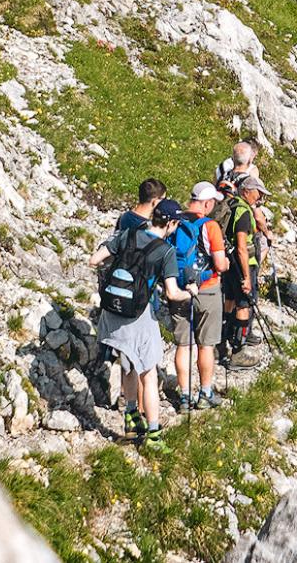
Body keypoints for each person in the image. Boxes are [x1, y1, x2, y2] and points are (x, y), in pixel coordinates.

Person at [90, 199, 191, 440]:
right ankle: (154, 434)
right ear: (172, 223)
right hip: (138, 315)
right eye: (177, 224)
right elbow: (172, 293)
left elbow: (94, 260)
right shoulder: (165, 251)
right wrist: (191, 293)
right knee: (149, 372)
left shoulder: (127, 234)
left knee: (128, 364)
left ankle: (132, 418)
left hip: (112, 313)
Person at [169, 182, 228, 410]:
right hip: (207, 289)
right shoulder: (210, 226)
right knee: (206, 345)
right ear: (207, 203)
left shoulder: (175, 220)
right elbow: (220, 264)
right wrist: (227, 264)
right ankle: (205, 393)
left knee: (183, 345)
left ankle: (184, 396)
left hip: (179, 288)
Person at [222, 171, 268, 366]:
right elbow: (242, 246)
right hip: (243, 263)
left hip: (228, 262)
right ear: (247, 191)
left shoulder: (231, 205)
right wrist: (247, 278)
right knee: (244, 304)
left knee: (230, 299)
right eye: (258, 193)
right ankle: (238, 351)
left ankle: (221, 341)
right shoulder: (244, 212)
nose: (260, 197)